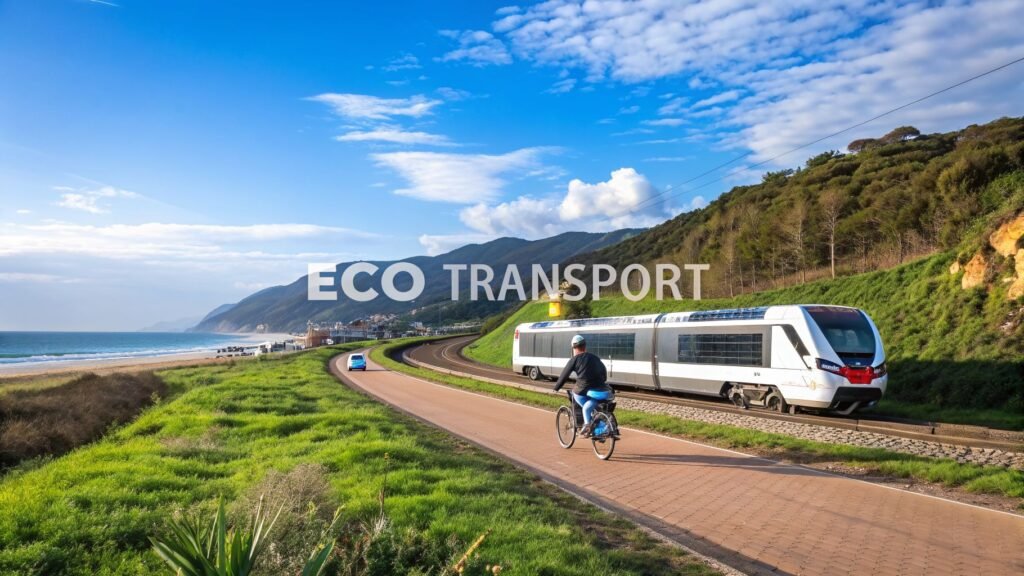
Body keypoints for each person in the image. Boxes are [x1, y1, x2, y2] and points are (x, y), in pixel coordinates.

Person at [552, 334, 613, 436]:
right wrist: (600, 381)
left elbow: (564, 375)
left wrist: (556, 387)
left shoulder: (574, 359)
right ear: (584, 346)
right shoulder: (595, 357)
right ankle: (597, 420)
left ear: (574, 348)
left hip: (584, 388)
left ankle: (587, 425)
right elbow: (604, 372)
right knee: (593, 402)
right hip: (601, 388)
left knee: (576, 394)